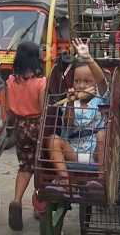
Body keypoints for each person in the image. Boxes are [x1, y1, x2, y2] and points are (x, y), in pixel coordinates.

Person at [47, 38, 108, 185]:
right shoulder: (69, 102)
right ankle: (64, 178)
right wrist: (69, 104)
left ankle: (100, 180)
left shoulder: (100, 99)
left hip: (95, 152)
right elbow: (68, 124)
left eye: (87, 82)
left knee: (102, 134)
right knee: (53, 140)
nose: (81, 85)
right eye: (77, 81)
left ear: (94, 84)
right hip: (73, 150)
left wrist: (87, 58)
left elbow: (102, 81)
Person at [6, 41, 46, 231]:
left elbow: (8, 110)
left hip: (20, 126)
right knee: (42, 165)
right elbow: (43, 109)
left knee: (25, 166)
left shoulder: (10, 81)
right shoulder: (40, 82)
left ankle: (16, 200)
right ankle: (40, 206)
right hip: (37, 124)